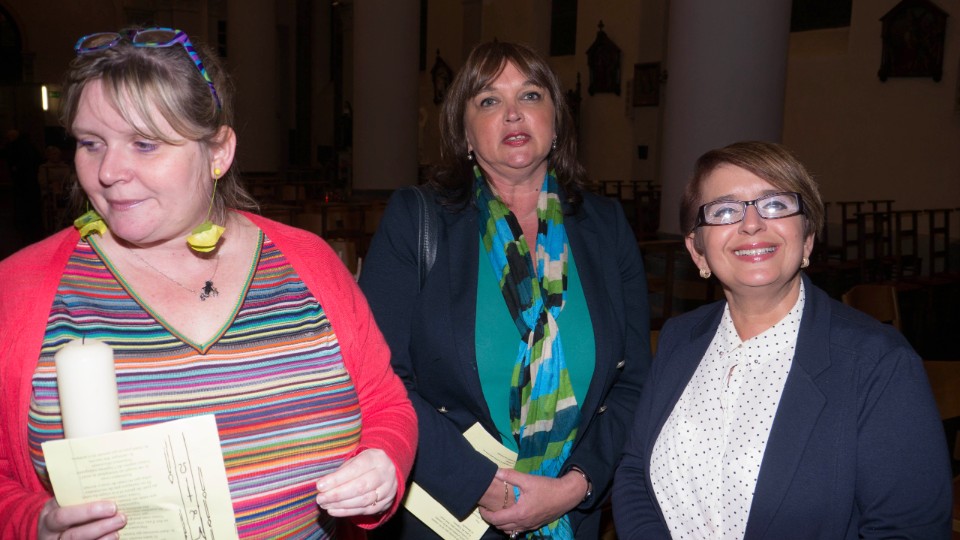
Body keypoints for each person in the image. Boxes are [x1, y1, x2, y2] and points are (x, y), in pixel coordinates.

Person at [0, 27, 416, 539]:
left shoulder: (308, 262)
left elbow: (385, 403)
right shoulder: (19, 289)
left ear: (218, 151)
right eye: (91, 144)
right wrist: (33, 523)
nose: (108, 172)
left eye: (145, 144)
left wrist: (384, 462)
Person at [359, 41, 651, 539]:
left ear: (556, 123)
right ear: (464, 132)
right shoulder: (417, 220)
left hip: (570, 512)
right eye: (489, 100)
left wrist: (576, 485)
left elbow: (635, 382)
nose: (513, 113)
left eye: (531, 95)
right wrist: (482, 485)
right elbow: (379, 377)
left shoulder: (605, 226)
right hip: (449, 512)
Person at [612, 141, 952, 539]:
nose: (751, 223)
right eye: (724, 210)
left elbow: (908, 531)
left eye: (775, 205)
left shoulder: (878, 363)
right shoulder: (679, 337)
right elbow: (635, 470)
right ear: (697, 251)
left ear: (807, 238)